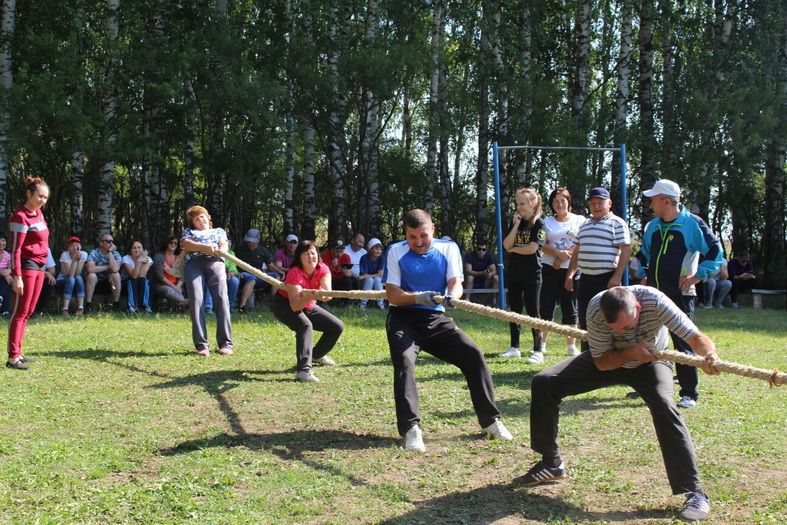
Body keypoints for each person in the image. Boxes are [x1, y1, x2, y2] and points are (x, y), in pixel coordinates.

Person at [517, 286, 718, 522]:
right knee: (544, 383)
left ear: (639, 309)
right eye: (616, 329)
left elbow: (695, 337)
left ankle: (694, 492)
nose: (623, 331)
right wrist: (631, 351)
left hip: (652, 362)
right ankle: (551, 463)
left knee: (664, 405)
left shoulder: (657, 302)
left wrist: (709, 356)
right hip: (611, 359)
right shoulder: (595, 309)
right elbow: (602, 362)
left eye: (628, 326)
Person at [383, 209, 513, 452]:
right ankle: (411, 428)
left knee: (473, 355)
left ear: (433, 229)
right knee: (404, 362)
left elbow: (456, 284)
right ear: (405, 234)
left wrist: (452, 298)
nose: (419, 242)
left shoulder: (448, 249)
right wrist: (419, 297)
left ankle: (491, 421)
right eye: (412, 237)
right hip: (404, 319)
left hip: (436, 320)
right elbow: (393, 294)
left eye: (423, 235)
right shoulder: (395, 251)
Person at [639, 179, 723, 409]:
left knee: (683, 340)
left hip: (680, 294)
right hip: (652, 293)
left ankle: (689, 393)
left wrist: (697, 276)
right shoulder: (652, 226)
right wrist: (642, 272)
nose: (650, 204)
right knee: (648, 339)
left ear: (666, 201)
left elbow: (716, 253)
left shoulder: (692, 224)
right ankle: (647, 385)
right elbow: (644, 254)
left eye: (653, 199)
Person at [565, 187, 631, 353]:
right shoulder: (585, 224)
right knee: (586, 320)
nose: (596, 206)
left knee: (610, 319)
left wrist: (617, 276)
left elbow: (626, 249)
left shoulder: (617, 223)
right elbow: (577, 251)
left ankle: (613, 356)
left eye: (600, 202)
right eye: (592, 203)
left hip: (607, 279)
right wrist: (570, 274)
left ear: (609, 203)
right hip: (586, 279)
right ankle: (588, 356)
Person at [272, 240, 345, 383]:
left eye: (313, 253)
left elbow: (327, 294)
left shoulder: (323, 269)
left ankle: (317, 355)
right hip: (284, 305)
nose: (311, 256)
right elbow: (295, 306)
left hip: (308, 304)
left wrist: (321, 294)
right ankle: (303, 371)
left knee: (336, 326)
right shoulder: (294, 273)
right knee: (305, 325)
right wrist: (312, 295)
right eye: (306, 254)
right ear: (299, 257)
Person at [6, 176, 50, 370]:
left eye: (46, 197)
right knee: (20, 311)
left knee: (29, 311)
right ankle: (12, 357)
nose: (43, 200)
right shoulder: (20, 216)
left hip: (40, 267)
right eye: (40, 196)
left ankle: (19, 352)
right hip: (26, 266)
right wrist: (17, 276)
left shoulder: (39, 214)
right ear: (29, 194)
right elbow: (15, 249)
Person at [538, 187, 585, 361]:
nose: (559, 204)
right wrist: (557, 255)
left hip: (572, 269)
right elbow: (540, 242)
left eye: (563, 200)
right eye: (556, 201)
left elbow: (582, 242)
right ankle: (541, 344)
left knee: (570, 306)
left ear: (569, 202)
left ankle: (571, 345)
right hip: (549, 268)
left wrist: (565, 256)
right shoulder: (545, 222)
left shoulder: (580, 220)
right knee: (546, 305)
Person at [180, 205, 233, 356]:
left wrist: (219, 250)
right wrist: (204, 248)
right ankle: (202, 345)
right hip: (194, 264)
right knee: (196, 300)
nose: (200, 219)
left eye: (202, 216)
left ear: (208, 217)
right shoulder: (189, 232)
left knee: (222, 299)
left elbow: (223, 246)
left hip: (215, 262)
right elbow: (187, 244)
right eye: (196, 218)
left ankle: (226, 344)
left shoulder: (218, 231)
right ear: (193, 223)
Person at [501, 188, 545, 361]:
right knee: (515, 311)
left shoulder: (540, 224)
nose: (518, 207)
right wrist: (517, 225)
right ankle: (514, 347)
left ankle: (537, 350)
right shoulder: (516, 222)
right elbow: (506, 244)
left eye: (522, 203)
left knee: (534, 311)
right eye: (517, 203)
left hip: (532, 274)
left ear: (532, 204)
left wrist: (514, 249)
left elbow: (532, 248)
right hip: (514, 273)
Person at [235, 228, 275, 313]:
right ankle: (241, 307)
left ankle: (275, 304)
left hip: (259, 275)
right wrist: (236, 271)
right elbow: (232, 262)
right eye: (249, 241)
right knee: (251, 279)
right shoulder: (239, 249)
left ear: (258, 240)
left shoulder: (263, 250)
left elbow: (270, 266)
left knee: (276, 276)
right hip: (244, 274)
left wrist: (280, 271)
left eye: (252, 241)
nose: (250, 243)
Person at [85, 233, 122, 312]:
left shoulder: (116, 254)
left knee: (116, 275)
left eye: (112, 241)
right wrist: (108, 267)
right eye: (108, 241)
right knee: (91, 276)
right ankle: (88, 305)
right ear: (101, 243)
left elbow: (115, 269)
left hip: (111, 285)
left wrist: (110, 252)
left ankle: (116, 304)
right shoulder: (94, 253)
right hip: (96, 283)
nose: (111, 243)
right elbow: (90, 269)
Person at [152, 235, 189, 309]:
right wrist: (174, 287)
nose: (173, 244)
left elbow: (183, 275)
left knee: (177, 291)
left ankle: (183, 306)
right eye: (171, 242)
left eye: (176, 243)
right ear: (166, 243)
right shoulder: (159, 257)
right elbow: (159, 276)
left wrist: (178, 287)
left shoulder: (179, 258)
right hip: (161, 285)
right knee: (168, 290)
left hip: (177, 286)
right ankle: (186, 302)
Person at [56, 236, 87, 316]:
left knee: (78, 278)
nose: (75, 247)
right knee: (71, 279)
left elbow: (78, 273)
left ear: (80, 246)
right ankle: (65, 309)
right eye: (72, 245)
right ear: (68, 248)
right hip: (62, 282)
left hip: (75, 281)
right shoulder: (64, 255)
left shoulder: (83, 254)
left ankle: (80, 308)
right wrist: (74, 260)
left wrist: (78, 259)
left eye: (77, 245)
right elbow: (71, 274)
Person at [121, 240, 154, 314]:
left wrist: (144, 259)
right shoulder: (126, 258)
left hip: (141, 283)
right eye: (134, 248)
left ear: (143, 250)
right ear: (130, 250)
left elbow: (142, 275)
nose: (137, 250)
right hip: (127, 283)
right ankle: (132, 307)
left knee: (144, 280)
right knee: (132, 281)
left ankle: (145, 306)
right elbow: (134, 276)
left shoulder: (148, 259)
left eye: (139, 247)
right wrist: (139, 261)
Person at [358, 237, 385, 309]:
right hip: (364, 283)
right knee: (370, 280)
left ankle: (380, 304)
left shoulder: (381, 258)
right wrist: (367, 276)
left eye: (380, 249)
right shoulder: (364, 258)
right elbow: (364, 275)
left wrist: (368, 275)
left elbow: (380, 274)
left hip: (376, 282)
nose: (378, 251)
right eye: (376, 248)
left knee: (378, 279)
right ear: (370, 249)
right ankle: (362, 304)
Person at [34, 249, 57, 315]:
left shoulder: (46, 249)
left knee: (50, 280)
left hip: (40, 276)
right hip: (27, 275)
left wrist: (46, 273)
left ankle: (41, 310)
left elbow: (52, 270)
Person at [0, 234, 12, 318]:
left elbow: (10, 269)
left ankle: (5, 311)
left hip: (3, 278)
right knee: (6, 279)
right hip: (2, 276)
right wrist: (4, 274)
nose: (1, 243)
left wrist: (5, 275)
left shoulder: (8, 255)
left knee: (7, 282)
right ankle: (5, 311)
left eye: (3, 240)